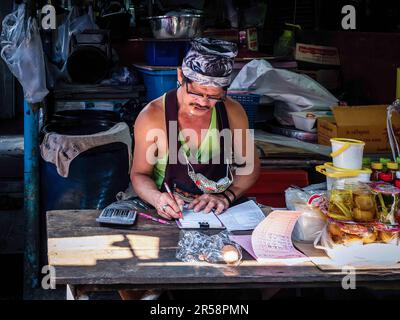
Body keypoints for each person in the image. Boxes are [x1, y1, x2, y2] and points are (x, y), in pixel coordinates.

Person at [131, 37, 260, 220]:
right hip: (171, 212)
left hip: (219, 212)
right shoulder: (152, 117)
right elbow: (139, 174)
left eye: (214, 96)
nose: (203, 102)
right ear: (180, 76)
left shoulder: (232, 112)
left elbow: (249, 166)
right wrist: (157, 198)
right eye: (197, 93)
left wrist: (226, 196)